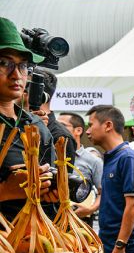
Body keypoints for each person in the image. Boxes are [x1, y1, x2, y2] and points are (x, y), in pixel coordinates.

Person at [0, 17, 56, 220]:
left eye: (22, 66)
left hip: (31, 244)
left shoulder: (36, 126)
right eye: (3, 63)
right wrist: (6, 190)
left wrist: (51, 190)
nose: (16, 75)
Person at [86, 105, 134, 253]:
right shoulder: (110, 157)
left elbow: (133, 205)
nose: (87, 131)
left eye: (91, 125)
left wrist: (120, 245)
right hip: (108, 242)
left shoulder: (126, 157)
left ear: (108, 125)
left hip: (126, 248)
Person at [58, 112, 103, 227]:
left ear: (78, 130)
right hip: (51, 219)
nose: (57, 129)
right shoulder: (51, 156)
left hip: (80, 224)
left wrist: (90, 209)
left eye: (62, 125)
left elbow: (103, 193)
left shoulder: (94, 161)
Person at [35, 69, 76, 165]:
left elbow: (63, 178)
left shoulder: (61, 136)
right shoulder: (21, 125)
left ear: (42, 96)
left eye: (26, 89)